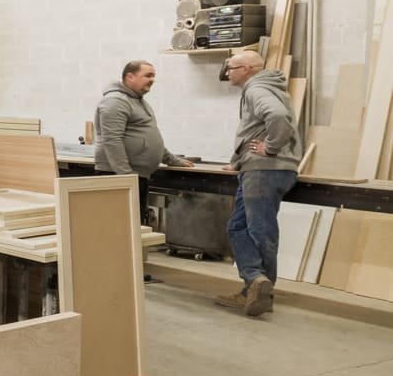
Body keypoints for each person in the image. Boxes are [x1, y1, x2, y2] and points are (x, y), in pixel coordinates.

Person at [215, 50, 301, 317]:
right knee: (237, 226)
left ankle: (260, 290)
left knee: (261, 231)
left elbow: (277, 116)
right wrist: (239, 161)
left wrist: (270, 148)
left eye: (231, 68)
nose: (227, 73)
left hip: (265, 170)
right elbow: (254, 130)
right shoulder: (264, 87)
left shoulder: (256, 89)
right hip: (256, 168)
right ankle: (254, 281)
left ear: (247, 69)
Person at [94, 60, 194, 223]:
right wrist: (126, 176)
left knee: (134, 225)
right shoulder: (115, 101)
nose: (152, 80)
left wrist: (172, 160)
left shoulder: (138, 101)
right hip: (117, 175)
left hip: (135, 175)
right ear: (130, 77)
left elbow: (150, 136)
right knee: (120, 226)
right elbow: (112, 140)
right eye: (148, 75)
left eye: (153, 76)